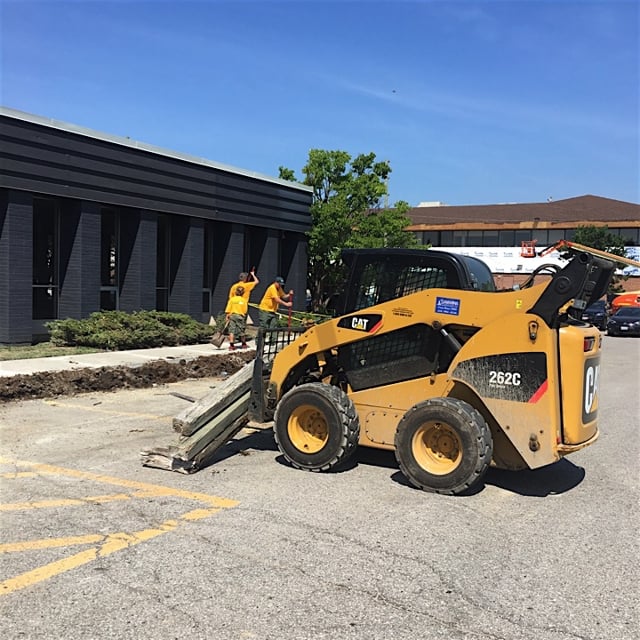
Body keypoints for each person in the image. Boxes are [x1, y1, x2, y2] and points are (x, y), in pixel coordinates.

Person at [225, 285, 249, 350]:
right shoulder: (244, 300)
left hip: (232, 316)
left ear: (235, 292)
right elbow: (245, 311)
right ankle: (243, 344)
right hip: (240, 316)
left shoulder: (232, 300)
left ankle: (231, 345)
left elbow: (228, 309)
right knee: (242, 330)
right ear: (243, 293)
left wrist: (227, 316)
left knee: (231, 330)